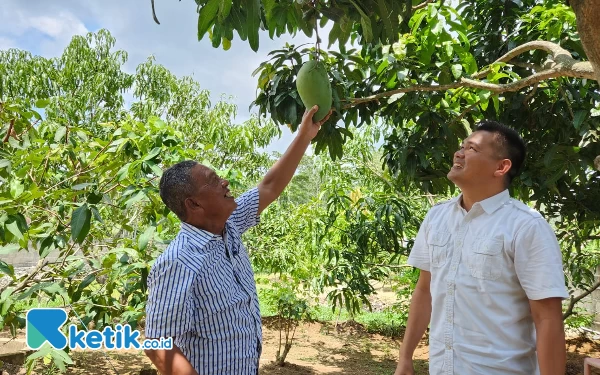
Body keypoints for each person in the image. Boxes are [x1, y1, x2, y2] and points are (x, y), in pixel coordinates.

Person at [143, 105, 332, 375]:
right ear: (194, 204)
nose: (225, 182)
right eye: (213, 180)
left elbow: (269, 185)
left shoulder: (229, 225)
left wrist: (305, 135)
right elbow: (159, 346)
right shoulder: (179, 262)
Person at [394, 121, 569, 375]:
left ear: (501, 167)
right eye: (461, 146)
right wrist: (405, 359)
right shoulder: (436, 217)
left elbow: (547, 318)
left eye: (472, 149)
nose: (459, 153)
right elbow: (424, 291)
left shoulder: (526, 226)